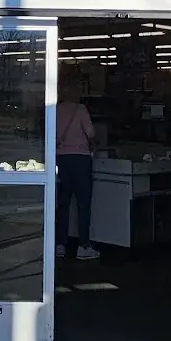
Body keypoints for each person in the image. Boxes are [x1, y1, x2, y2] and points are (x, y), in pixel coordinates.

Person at [53, 75, 100, 261]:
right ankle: (84, 245)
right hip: (80, 160)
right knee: (83, 204)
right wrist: (95, 146)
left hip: (61, 159)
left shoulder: (55, 110)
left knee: (62, 204)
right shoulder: (81, 110)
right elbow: (91, 134)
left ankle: (60, 245)